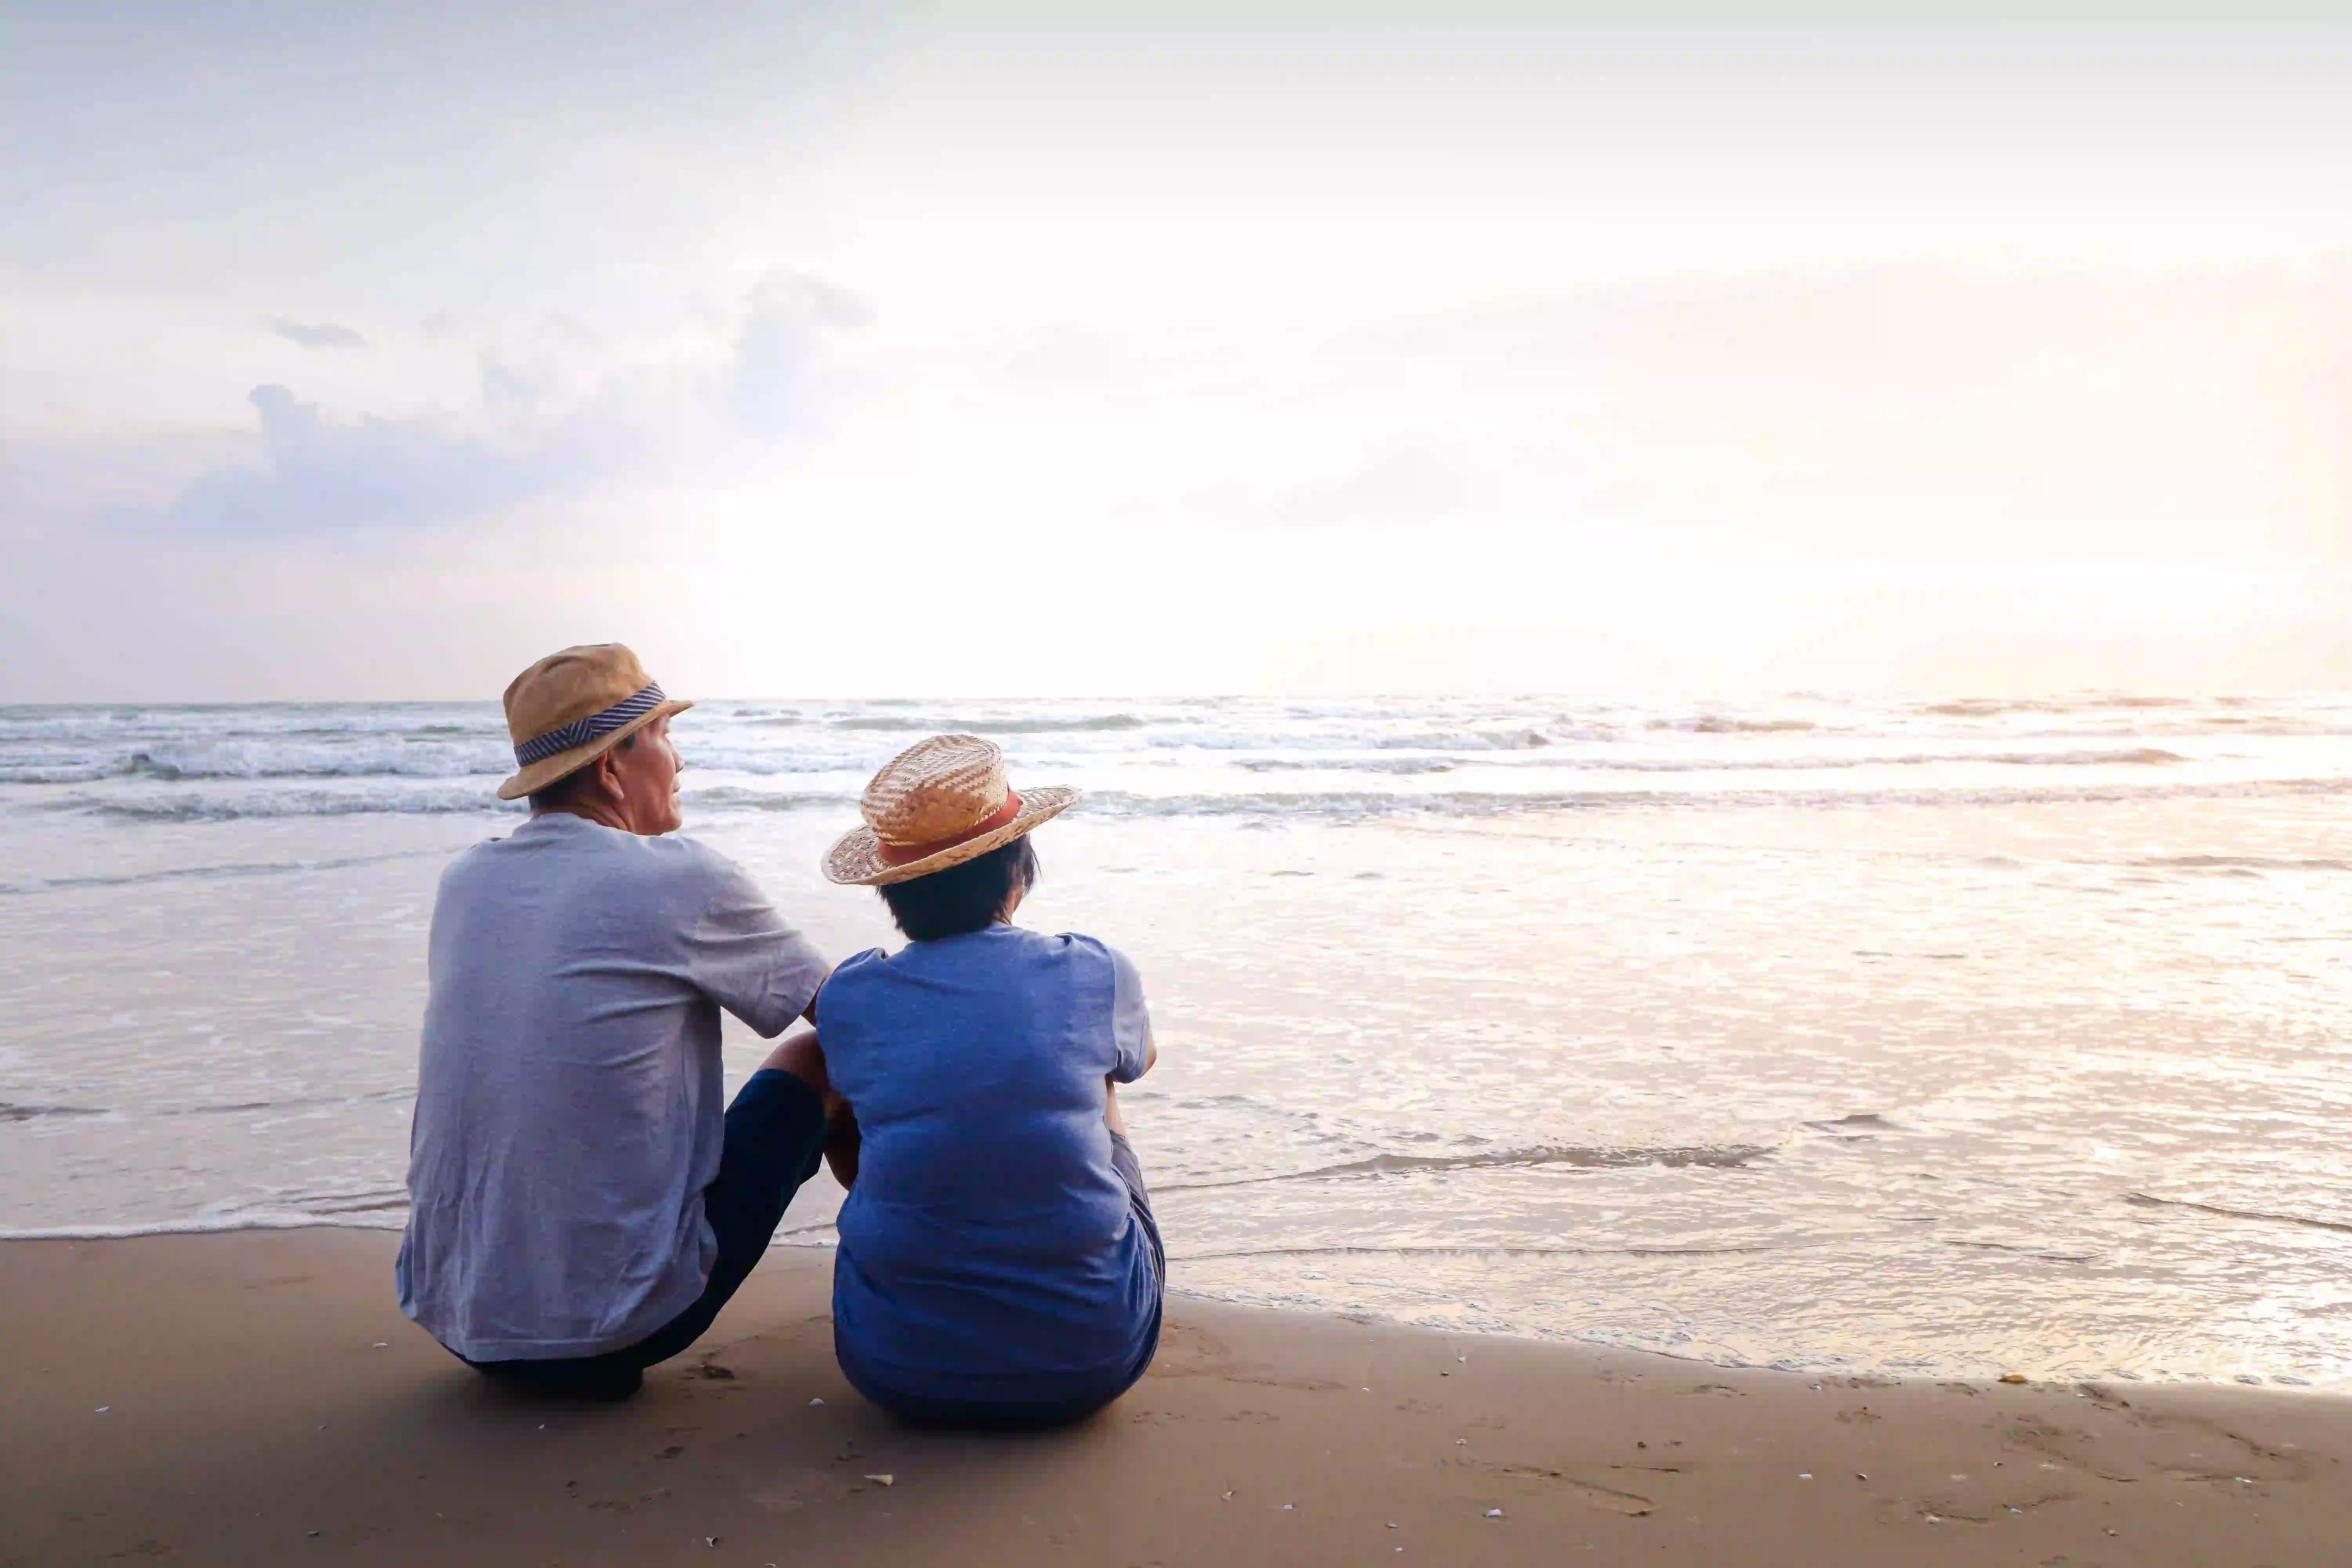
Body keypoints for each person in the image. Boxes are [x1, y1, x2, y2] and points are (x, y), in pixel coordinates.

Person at [396, 644, 835, 1400]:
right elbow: (855, 1014)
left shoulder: (467, 880)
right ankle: (927, 1275)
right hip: (611, 1329)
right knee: (825, 1057)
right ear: (611, 767)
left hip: (461, 1316)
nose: (680, 760)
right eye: (665, 735)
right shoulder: (681, 878)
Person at [815, 734, 1163, 1427]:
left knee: (855, 1076)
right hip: (1091, 1360)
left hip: (894, 1368)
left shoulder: (851, 993)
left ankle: (934, 1250)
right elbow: (1140, 1060)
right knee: (1098, 1084)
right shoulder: (1093, 970)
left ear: (890, 892)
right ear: (1018, 872)